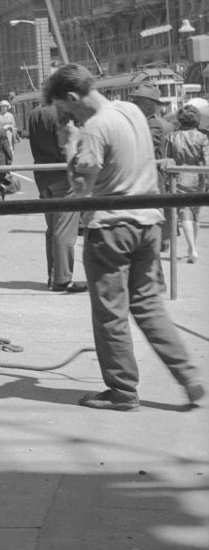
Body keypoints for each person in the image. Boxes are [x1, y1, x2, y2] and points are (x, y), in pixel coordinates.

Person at [42, 64, 204, 410]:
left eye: (63, 108)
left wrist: (69, 147)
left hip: (110, 231)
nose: (65, 116)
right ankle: (188, 376)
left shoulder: (94, 130)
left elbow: (81, 191)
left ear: (73, 97)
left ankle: (122, 391)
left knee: (110, 314)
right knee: (148, 306)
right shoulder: (130, 110)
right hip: (148, 224)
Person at [27, 102, 85, 292]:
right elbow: (66, 147)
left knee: (52, 229)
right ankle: (62, 278)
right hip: (62, 175)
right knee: (65, 230)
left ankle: (52, 275)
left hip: (42, 175)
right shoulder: (61, 113)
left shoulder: (35, 113)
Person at [130, 84, 174, 254]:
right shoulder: (141, 121)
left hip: (152, 178)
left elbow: (141, 147)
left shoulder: (153, 125)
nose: (133, 102)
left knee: (153, 217)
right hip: (143, 177)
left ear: (148, 104)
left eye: (137, 100)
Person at [165, 104, 209, 263]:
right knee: (195, 212)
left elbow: (167, 159)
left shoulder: (172, 137)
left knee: (184, 212)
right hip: (198, 176)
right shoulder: (203, 137)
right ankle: (192, 248)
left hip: (179, 175)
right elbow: (207, 160)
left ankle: (192, 247)